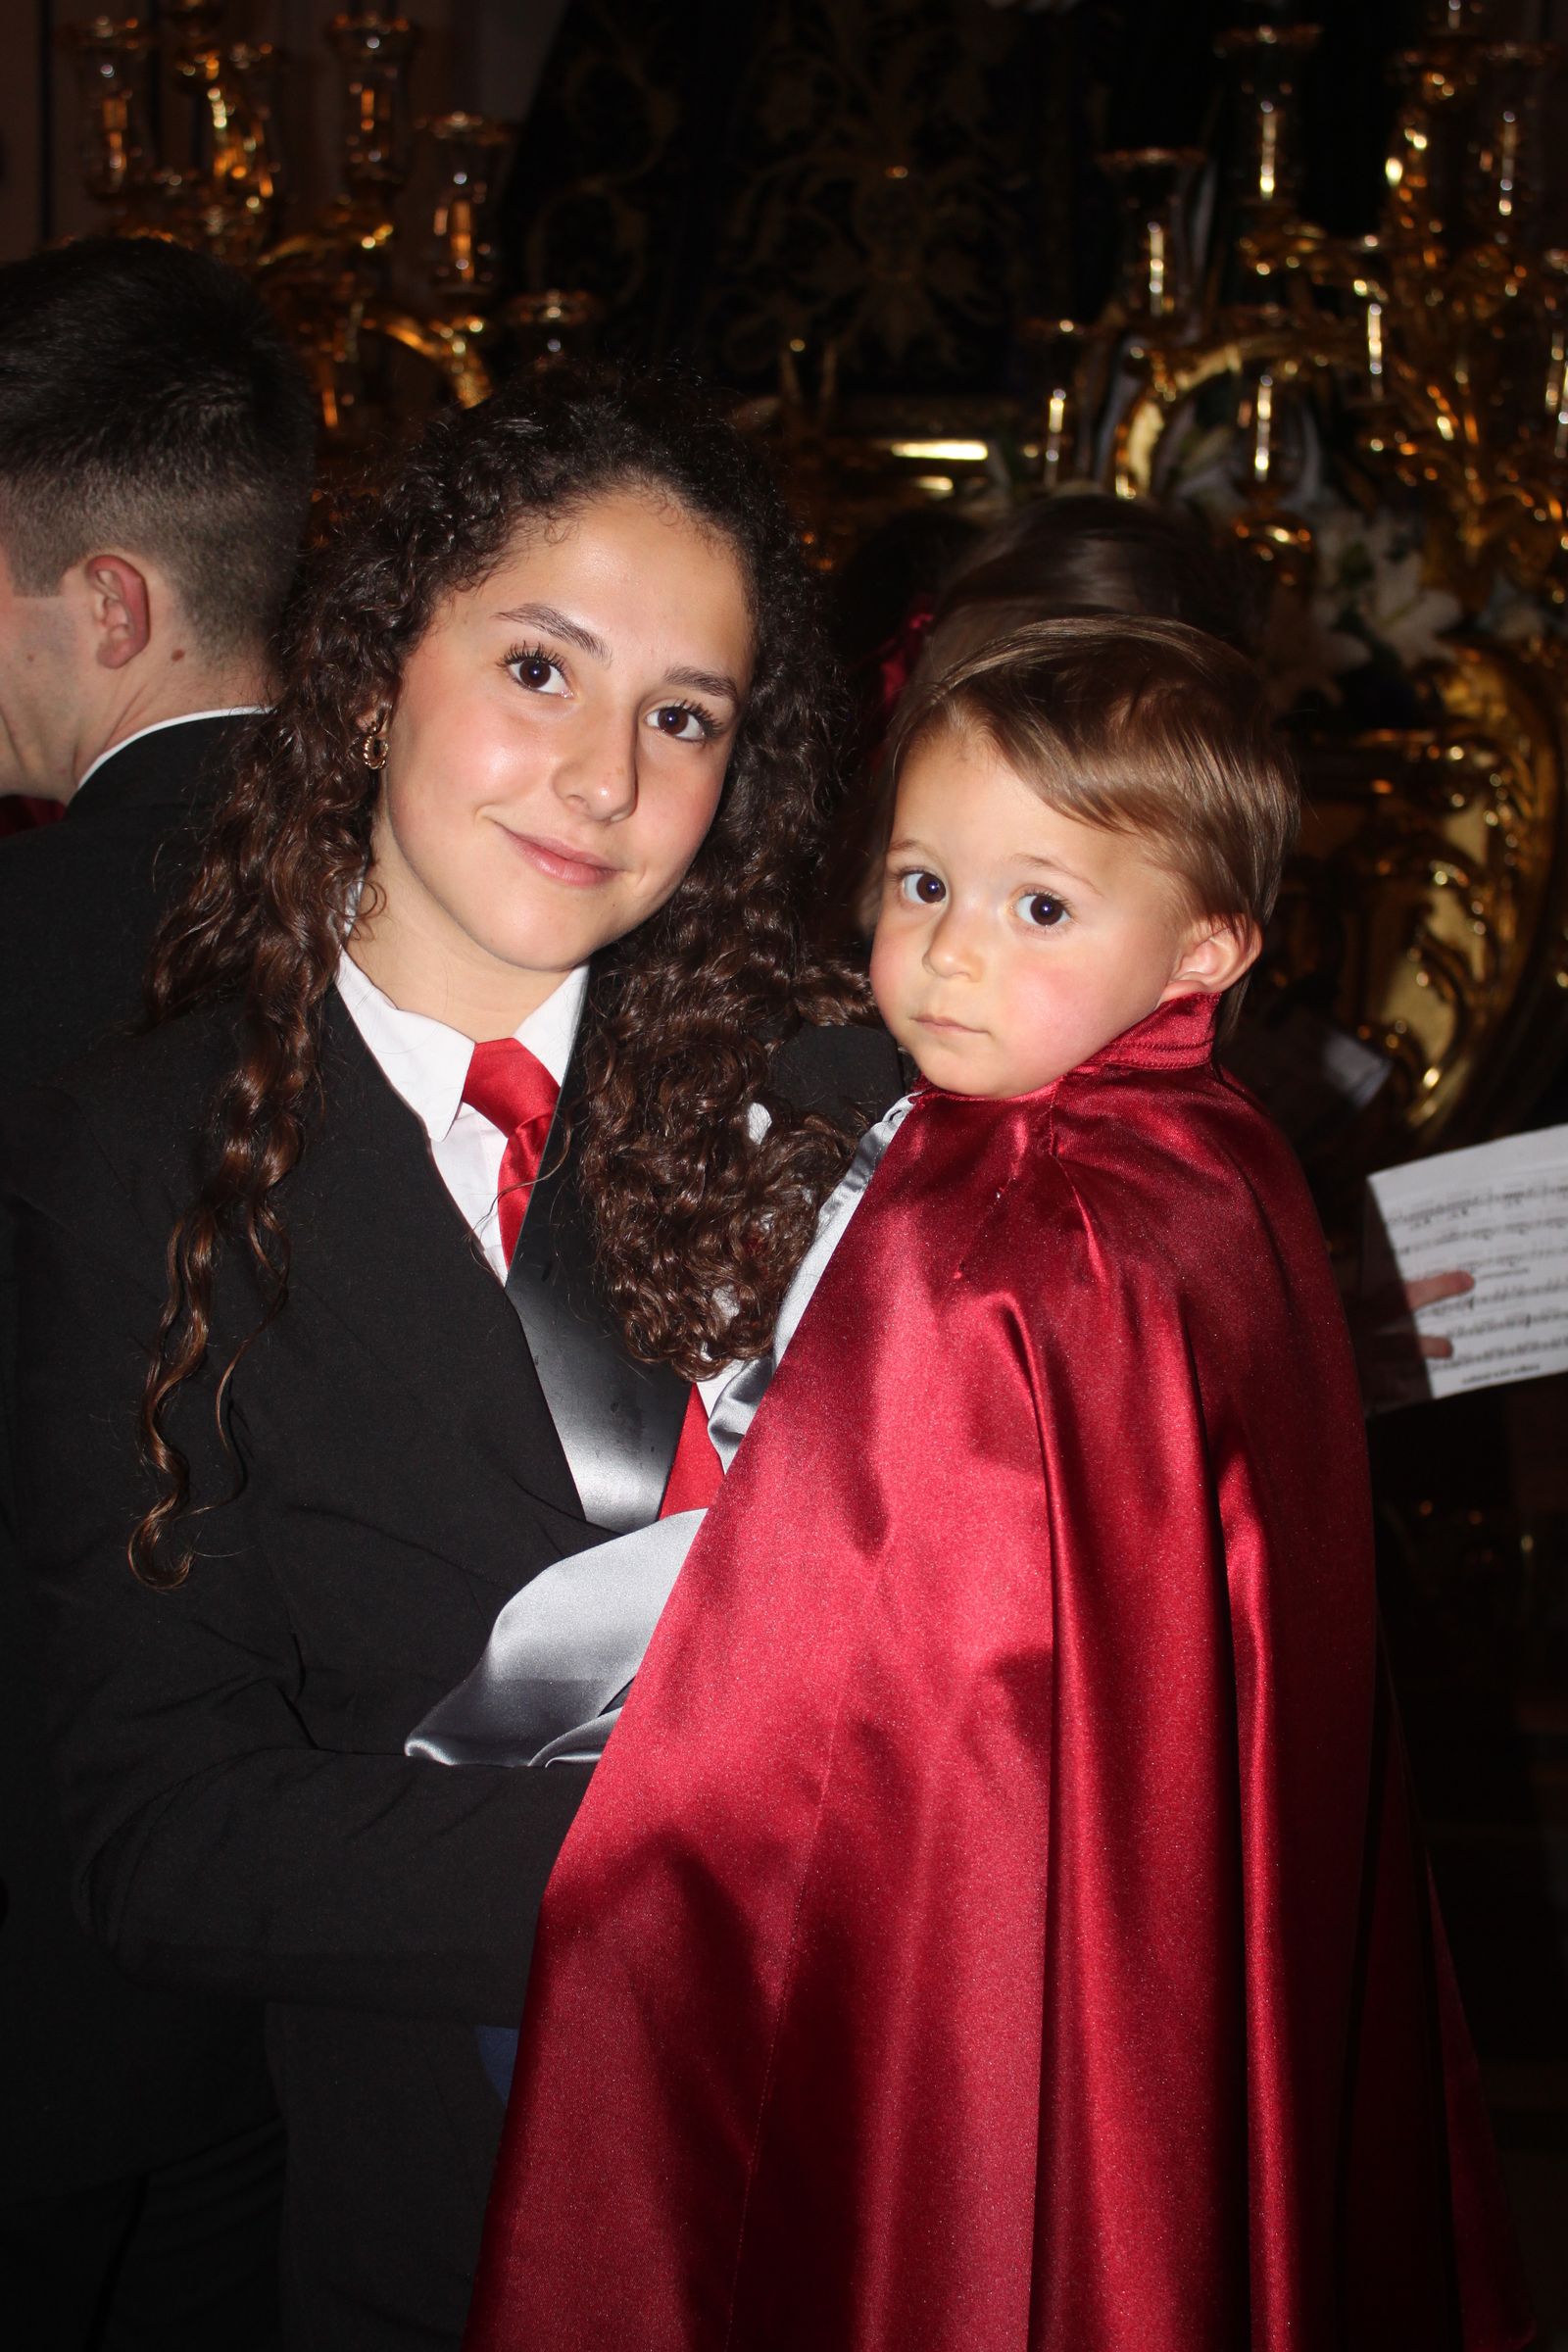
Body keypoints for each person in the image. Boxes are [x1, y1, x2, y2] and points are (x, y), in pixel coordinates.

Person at [460, 617, 1532, 2352]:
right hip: (1131, 1886)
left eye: (1039, 909)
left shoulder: (1018, 1236)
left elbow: (842, 1681)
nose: (949, 957)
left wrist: (638, 1864)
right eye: (921, 884)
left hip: (970, 1919)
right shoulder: (1207, 1149)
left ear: (1205, 945)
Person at [0, 363, 902, 2350]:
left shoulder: (839, 1107)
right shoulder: (143, 1152)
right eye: (539, 671)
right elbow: (161, 1838)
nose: (602, 777)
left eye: (683, 718)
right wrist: (723, 1859)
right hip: (460, 2215)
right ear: (380, 662)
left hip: (869, 2176)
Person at [0, 234, 316, 2347]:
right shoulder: (468, 906)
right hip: (348, 1985)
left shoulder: (33, 942)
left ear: (112, 602)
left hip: (39, 1941)